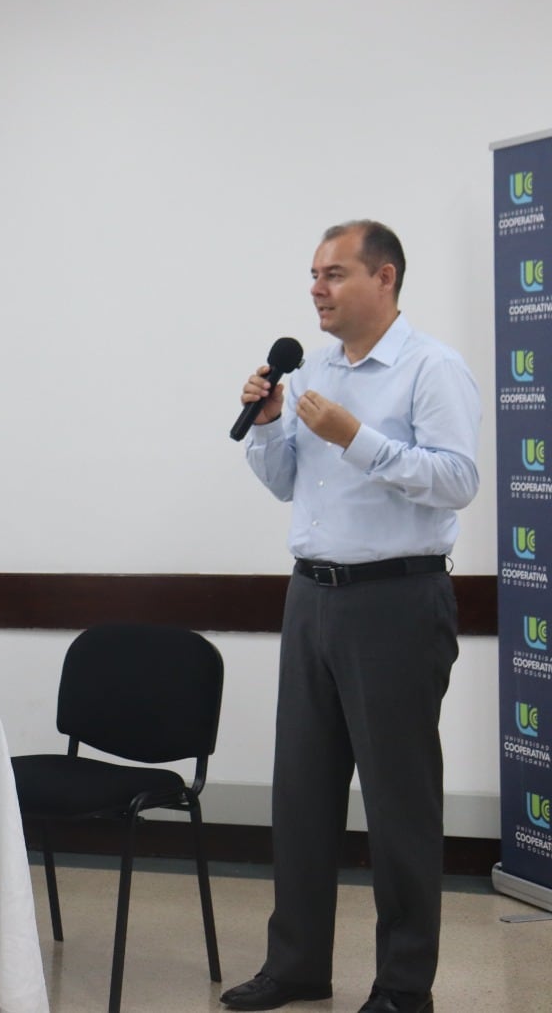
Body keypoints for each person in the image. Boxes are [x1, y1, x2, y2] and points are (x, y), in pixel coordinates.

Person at [221, 221, 480, 1013]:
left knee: (400, 803)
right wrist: (268, 426)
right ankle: (296, 966)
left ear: (385, 279)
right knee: (300, 795)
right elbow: (286, 482)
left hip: (397, 602)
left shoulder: (432, 369)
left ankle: (404, 987)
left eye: (333, 274)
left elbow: (458, 479)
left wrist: (359, 439)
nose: (316, 290)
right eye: (312, 275)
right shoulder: (313, 371)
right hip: (312, 599)